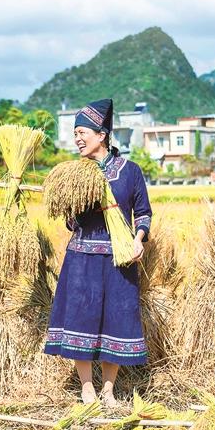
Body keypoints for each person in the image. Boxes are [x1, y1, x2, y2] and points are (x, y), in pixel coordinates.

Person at [44, 99, 152, 407]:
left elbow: (143, 213)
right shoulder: (75, 173)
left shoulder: (130, 172)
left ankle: (108, 388)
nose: (77, 139)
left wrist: (139, 239)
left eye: (82, 133)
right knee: (82, 319)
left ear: (101, 135)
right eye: (75, 133)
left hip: (119, 259)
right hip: (82, 258)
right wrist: (71, 202)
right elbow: (69, 222)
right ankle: (87, 387)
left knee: (115, 319)